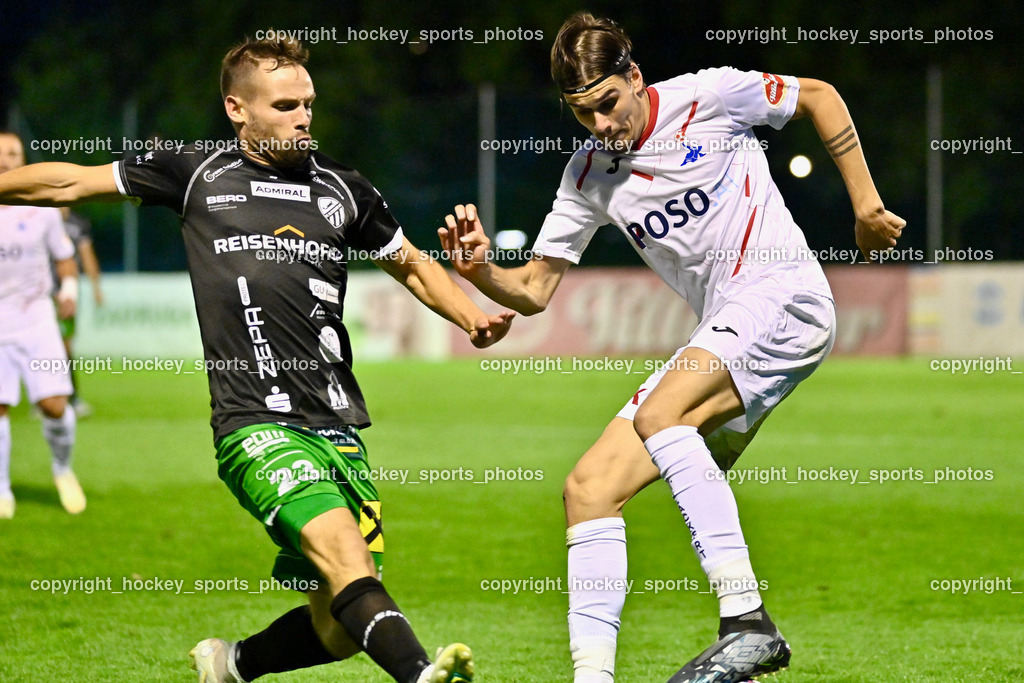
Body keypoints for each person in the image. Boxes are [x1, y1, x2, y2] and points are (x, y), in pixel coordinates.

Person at [0, 35, 515, 683]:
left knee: (338, 625)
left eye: (308, 103)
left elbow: (409, 263)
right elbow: (69, 180)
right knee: (343, 553)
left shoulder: (344, 189)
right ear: (237, 109)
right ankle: (420, 674)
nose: (304, 116)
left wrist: (473, 315)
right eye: (285, 104)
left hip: (339, 428)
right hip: (255, 423)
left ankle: (232, 663)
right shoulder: (195, 172)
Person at [438, 12, 905, 683]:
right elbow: (536, 288)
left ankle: (746, 622)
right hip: (731, 324)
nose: (599, 124)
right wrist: (480, 269)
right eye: (581, 113)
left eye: (606, 104)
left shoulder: (710, 96)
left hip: (785, 294)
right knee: (589, 487)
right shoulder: (589, 172)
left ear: (633, 76)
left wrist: (866, 205)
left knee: (661, 414)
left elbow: (818, 95)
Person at [0, 130, 85, 519]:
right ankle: (1, 489)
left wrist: (68, 289)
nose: (5, 160)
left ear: (23, 160)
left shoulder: (43, 208)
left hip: (36, 321)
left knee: (54, 405)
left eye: (12, 153)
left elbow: (65, 257)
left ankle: (62, 469)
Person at [55, 206, 104, 417]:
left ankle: (71, 398)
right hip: (39, 294)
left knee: (64, 345)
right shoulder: (39, 218)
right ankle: (44, 397)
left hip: (66, 294)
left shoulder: (78, 224)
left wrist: (96, 287)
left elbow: (87, 255)